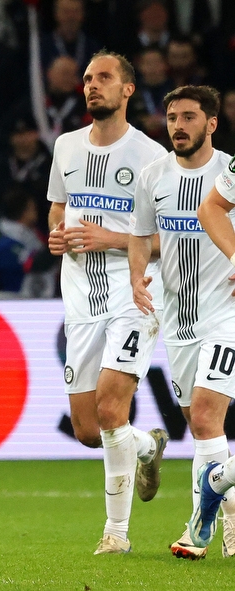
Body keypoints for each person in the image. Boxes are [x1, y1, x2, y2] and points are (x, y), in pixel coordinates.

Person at [46, 51, 169, 555]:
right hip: (80, 297)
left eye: (104, 78)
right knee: (89, 430)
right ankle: (146, 445)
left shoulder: (152, 157)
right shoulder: (66, 146)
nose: (92, 86)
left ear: (127, 90)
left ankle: (115, 535)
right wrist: (56, 233)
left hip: (134, 292)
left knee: (112, 407)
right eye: (88, 79)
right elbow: (59, 207)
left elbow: (172, 236)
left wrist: (113, 240)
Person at [129, 84, 235, 560]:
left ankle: (202, 528)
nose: (178, 125)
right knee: (201, 427)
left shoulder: (228, 170)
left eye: (189, 117)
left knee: (210, 416)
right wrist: (136, 278)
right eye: (172, 117)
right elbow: (139, 235)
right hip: (177, 317)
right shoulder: (153, 175)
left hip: (225, 312)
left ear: (211, 124)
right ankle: (225, 512)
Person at [181, 110, 235, 553]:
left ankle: (218, 482)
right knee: (202, 416)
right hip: (225, 311)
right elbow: (211, 207)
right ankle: (214, 513)